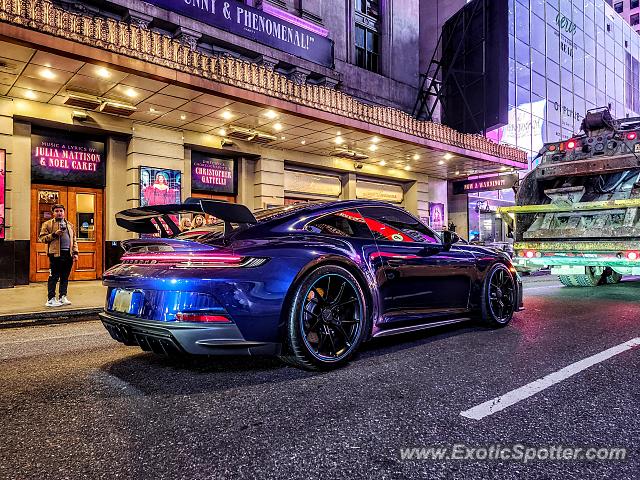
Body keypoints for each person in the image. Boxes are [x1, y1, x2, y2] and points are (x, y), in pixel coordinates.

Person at [38, 204, 78, 307]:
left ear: (64, 212)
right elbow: (42, 238)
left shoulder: (69, 225)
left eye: (61, 211)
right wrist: (55, 234)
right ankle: (51, 299)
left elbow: (74, 240)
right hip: (55, 255)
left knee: (65, 277)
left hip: (68, 255)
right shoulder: (47, 224)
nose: (59, 213)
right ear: (53, 213)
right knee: (54, 277)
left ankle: (62, 297)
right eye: (56, 211)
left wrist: (75, 252)